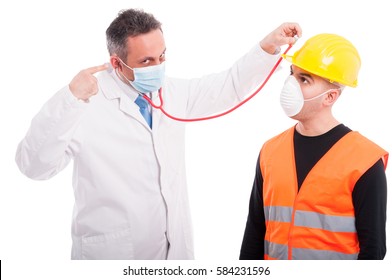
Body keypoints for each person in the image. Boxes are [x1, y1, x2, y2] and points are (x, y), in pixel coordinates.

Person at [15, 8, 301, 260]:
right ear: (116, 63)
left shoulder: (171, 93)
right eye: (147, 61)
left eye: (162, 56)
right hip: (113, 256)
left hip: (172, 253)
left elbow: (228, 86)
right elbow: (34, 167)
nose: (158, 67)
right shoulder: (84, 103)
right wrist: (70, 99)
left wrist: (268, 46)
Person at [239, 33, 388, 260]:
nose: (291, 85)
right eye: (292, 74)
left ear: (330, 97)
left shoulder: (365, 160)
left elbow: (373, 251)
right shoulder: (270, 151)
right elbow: (254, 232)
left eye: (304, 79)